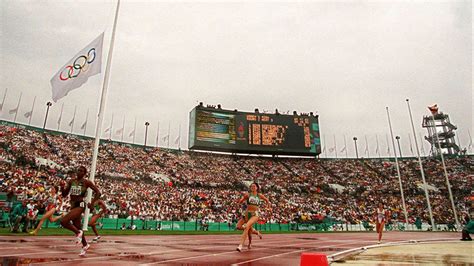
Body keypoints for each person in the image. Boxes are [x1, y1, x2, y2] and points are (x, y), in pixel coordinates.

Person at [60, 166, 101, 256]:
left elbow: (98, 192)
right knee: (77, 226)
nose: (79, 172)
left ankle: (78, 233)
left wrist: (92, 203)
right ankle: (85, 245)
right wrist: (62, 187)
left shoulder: (86, 182)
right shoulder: (71, 181)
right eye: (78, 170)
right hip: (73, 205)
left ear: (84, 173)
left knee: (63, 221)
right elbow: (64, 194)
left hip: (80, 205)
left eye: (81, 171)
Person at [236, 182, 271, 252]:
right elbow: (241, 201)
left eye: (254, 186)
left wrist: (269, 207)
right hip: (246, 213)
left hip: (254, 214)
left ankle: (240, 245)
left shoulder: (259, 195)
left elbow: (267, 200)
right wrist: (239, 204)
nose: (252, 187)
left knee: (247, 227)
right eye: (251, 186)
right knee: (238, 227)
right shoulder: (247, 195)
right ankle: (256, 232)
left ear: (257, 188)